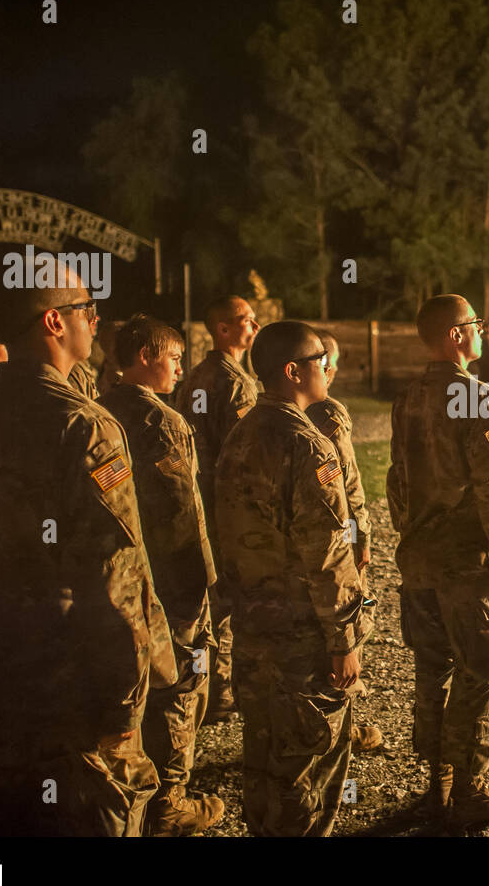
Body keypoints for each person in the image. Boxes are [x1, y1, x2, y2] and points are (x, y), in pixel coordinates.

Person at [0, 262, 177, 836]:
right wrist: (125, 704)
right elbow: (117, 577)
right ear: (54, 321)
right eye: (88, 309)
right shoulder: (84, 425)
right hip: (70, 690)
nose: (96, 321)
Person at [216, 321, 372, 837]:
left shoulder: (241, 435)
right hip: (301, 639)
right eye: (317, 362)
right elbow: (326, 556)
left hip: (255, 629)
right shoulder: (307, 446)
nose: (327, 368)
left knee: (263, 757)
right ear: (292, 372)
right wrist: (344, 638)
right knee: (309, 767)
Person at [388, 295, 489, 826]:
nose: (480, 331)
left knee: (434, 666)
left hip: (419, 557)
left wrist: (409, 535)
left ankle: (437, 784)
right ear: (455, 335)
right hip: (465, 561)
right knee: (486, 665)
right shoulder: (478, 397)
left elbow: (396, 479)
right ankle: (471, 789)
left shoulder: (407, 397)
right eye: (474, 324)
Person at [97, 315, 225, 836]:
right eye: (174, 357)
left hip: (116, 576)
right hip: (169, 580)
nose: (180, 367)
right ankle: (170, 799)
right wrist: (205, 582)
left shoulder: (99, 411)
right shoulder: (164, 422)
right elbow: (182, 516)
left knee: (131, 681)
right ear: (147, 357)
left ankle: (131, 790)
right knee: (182, 683)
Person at [175, 294, 261, 721]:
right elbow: (243, 453)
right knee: (227, 609)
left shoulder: (195, 377)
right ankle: (222, 693)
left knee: (204, 605)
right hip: (224, 507)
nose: (256, 326)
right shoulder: (235, 383)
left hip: (196, 502)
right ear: (223, 329)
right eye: (247, 320)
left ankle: (205, 688)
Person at [306, 329, 383, 753]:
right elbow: (349, 487)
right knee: (344, 624)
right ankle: (340, 726)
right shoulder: (329, 413)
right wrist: (362, 538)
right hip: (337, 538)